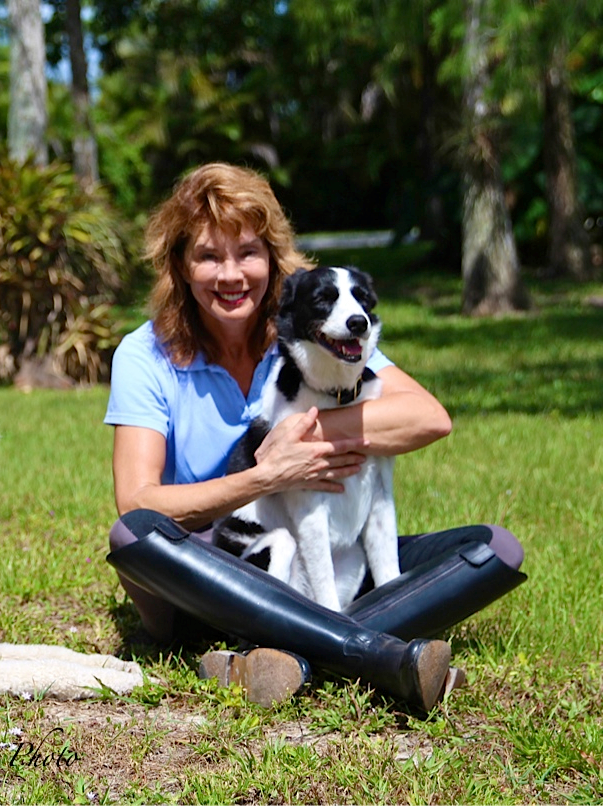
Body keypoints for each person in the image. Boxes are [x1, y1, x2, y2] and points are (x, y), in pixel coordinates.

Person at [104, 163, 526, 710]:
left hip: (326, 552)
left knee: (493, 549)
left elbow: (427, 417)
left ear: (274, 260)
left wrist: (304, 433)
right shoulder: (146, 354)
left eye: (247, 253)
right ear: (180, 268)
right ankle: (375, 651)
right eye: (209, 256)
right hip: (213, 560)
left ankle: (285, 659)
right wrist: (266, 474)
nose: (230, 275)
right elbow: (138, 503)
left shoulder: (314, 328)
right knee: (133, 537)